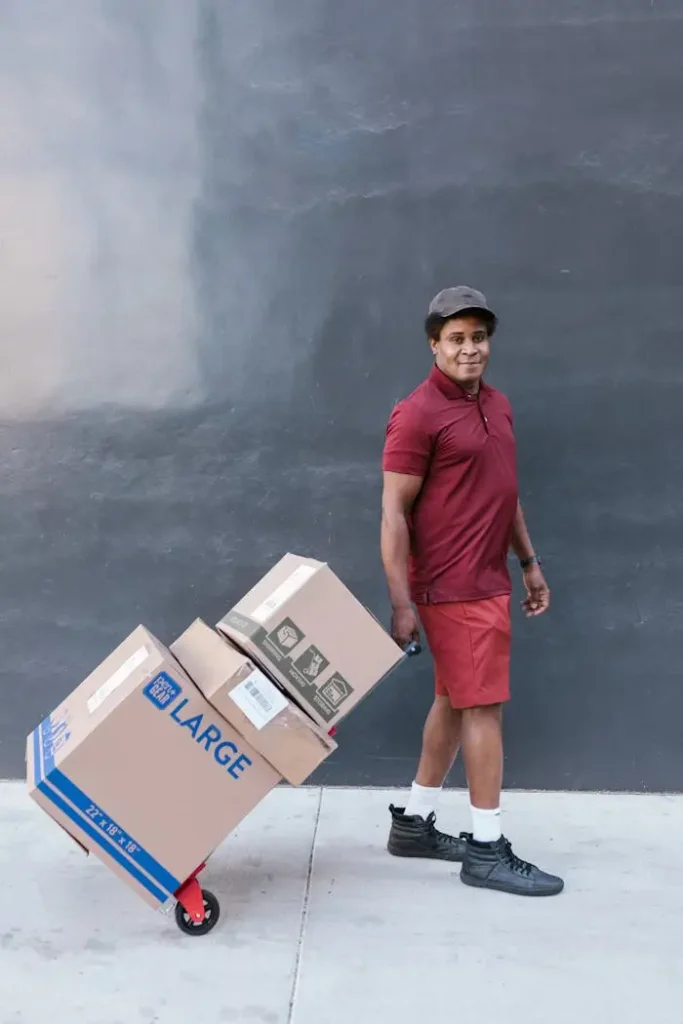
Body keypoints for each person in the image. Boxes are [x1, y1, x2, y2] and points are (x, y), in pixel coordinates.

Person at [380, 286, 563, 897]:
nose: (469, 348)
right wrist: (401, 601)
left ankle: (413, 822)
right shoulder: (417, 414)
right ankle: (486, 849)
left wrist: (529, 562)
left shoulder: (499, 405)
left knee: (457, 702)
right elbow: (393, 512)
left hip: (489, 579)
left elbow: (502, 493)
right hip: (451, 587)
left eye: (478, 337)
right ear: (434, 344)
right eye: (455, 338)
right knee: (483, 708)